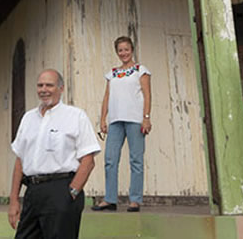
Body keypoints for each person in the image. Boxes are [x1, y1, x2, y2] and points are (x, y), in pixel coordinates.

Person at [8, 69, 100, 239]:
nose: (44, 89)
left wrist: (71, 193)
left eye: (49, 85)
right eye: (40, 85)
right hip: (33, 192)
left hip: (61, 190)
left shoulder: (75, 116)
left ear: (61, 88)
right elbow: (20, 160)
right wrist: (13, 199)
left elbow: (88, 161)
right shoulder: (28, 118)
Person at [92, 36, 152, 212]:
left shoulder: (140, 70)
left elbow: (147, 94)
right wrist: (103, 118)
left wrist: (146, 117)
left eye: (126, 49)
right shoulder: (112, 73)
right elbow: (107, 97)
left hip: (135, 119)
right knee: (110, 159)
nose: (123, 53)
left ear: (131, 49)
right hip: (116, 121)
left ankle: (135, 200)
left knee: (136, 159)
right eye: (120, 50)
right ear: (117, 52)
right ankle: (110, 199)